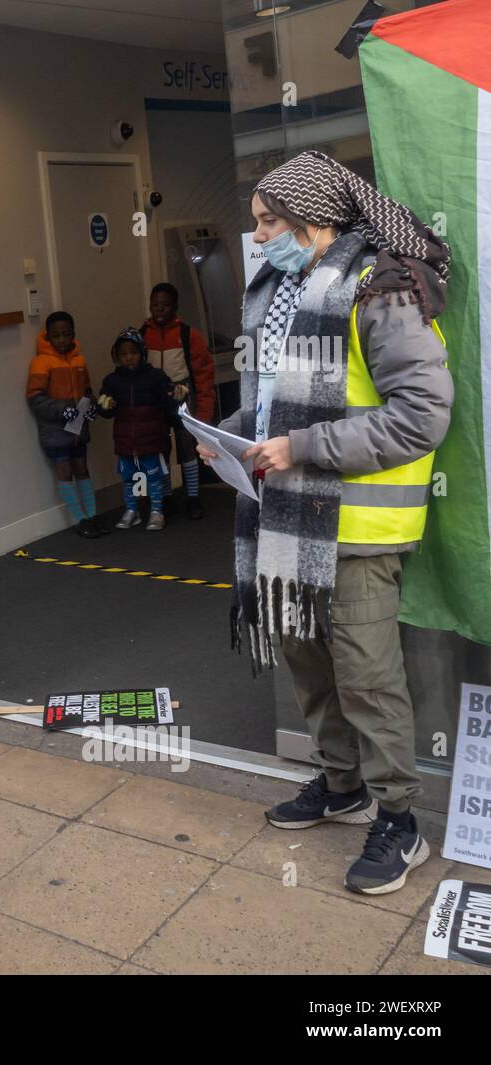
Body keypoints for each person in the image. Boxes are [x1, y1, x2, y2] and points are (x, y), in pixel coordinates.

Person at [199, 150, 452, 895]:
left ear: (317, 219)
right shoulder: (283, 289)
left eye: (269, 221)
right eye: (255, 224)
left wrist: (301, 446)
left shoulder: (382, 289)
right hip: (288, 521)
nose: (259, 237)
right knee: (306, 656)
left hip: (358, 526)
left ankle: (400, 820)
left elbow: (421, 415)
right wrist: (230, 431)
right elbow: (278, 398)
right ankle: (342, 784)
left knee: (368, 677)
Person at [142, 281, 217, 519]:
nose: (160, 309)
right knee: (159, 451)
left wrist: (204, 413)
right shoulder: (143, 335)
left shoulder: (187, 334)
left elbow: (204, 373)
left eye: (165, 305)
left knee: (186, 449)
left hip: (182, 400)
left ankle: (193, 497)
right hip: (156, 403)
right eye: (155, 305)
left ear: (175, 306)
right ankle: (166, 497)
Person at [26, 311, 102, 537]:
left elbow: (87, 390)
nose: (61, 340)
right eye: (56, 336)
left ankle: (92, 516)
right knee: (65, 471)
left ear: (73, 335)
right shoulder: (41, 362)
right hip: (55, 430)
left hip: (78, 428)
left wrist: (91, 407)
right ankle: (80, 520)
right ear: (48, 337)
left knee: (82, 468)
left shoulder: (79, 359)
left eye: (66, 335)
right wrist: (62, 410)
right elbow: (35, 398)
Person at [96, 327, 175, 531]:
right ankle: (133, 510)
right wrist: (104, 405)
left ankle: (156, 511)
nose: (129, 357)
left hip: (151, 439)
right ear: (117, 356)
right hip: (125, 440)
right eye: (123, 354)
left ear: (142, 353)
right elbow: (104, 410)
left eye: (133, 352)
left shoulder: (156, 376)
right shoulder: (111, 381)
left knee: (154, 476)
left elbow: (169, 403)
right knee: (129, 477)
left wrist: (176, 396)